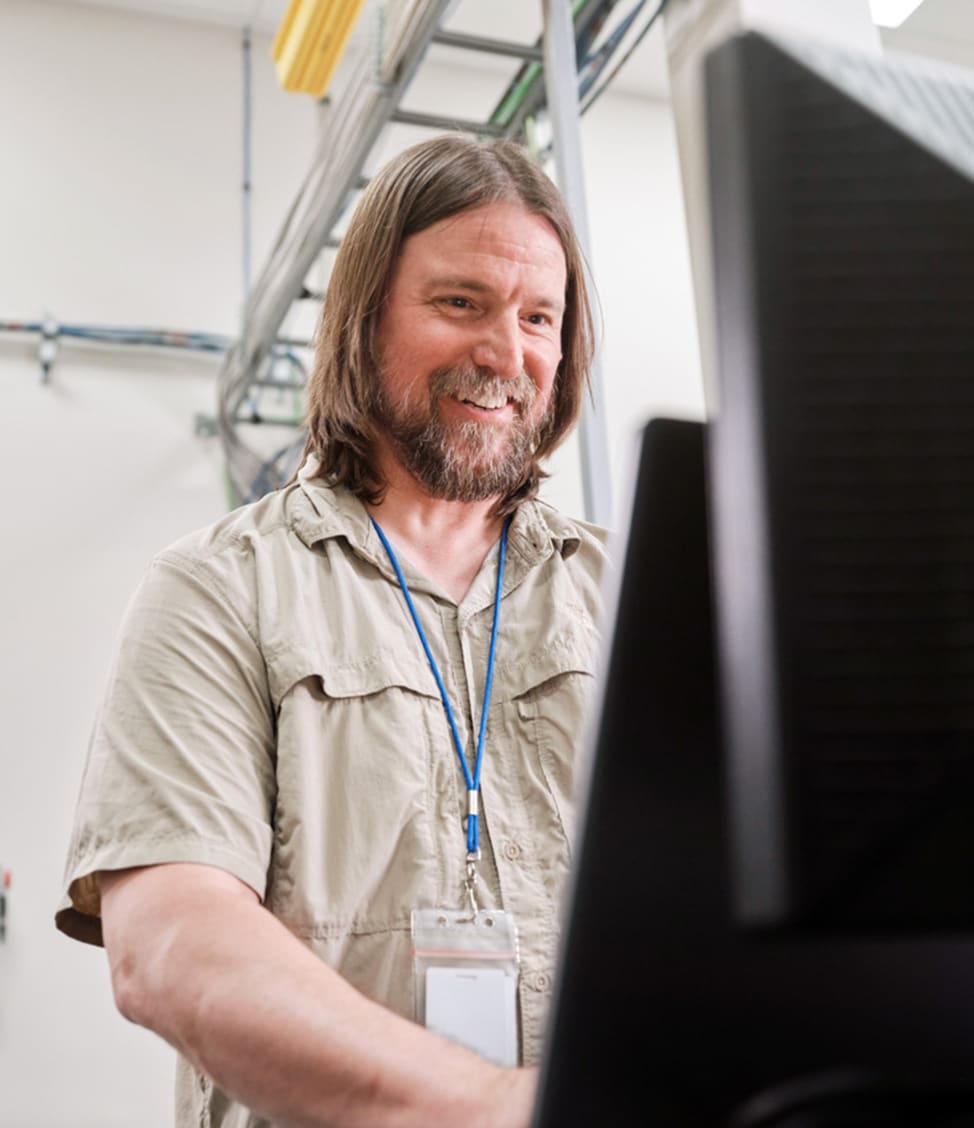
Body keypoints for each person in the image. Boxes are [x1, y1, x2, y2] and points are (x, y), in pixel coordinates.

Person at [56, 133, 608, 1127]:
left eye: (538, 317)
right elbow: (170, 943)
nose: (505, 352)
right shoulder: (219, 590)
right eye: (459, 303)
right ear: (364, 320)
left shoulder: (623, 596)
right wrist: (486, 1108)